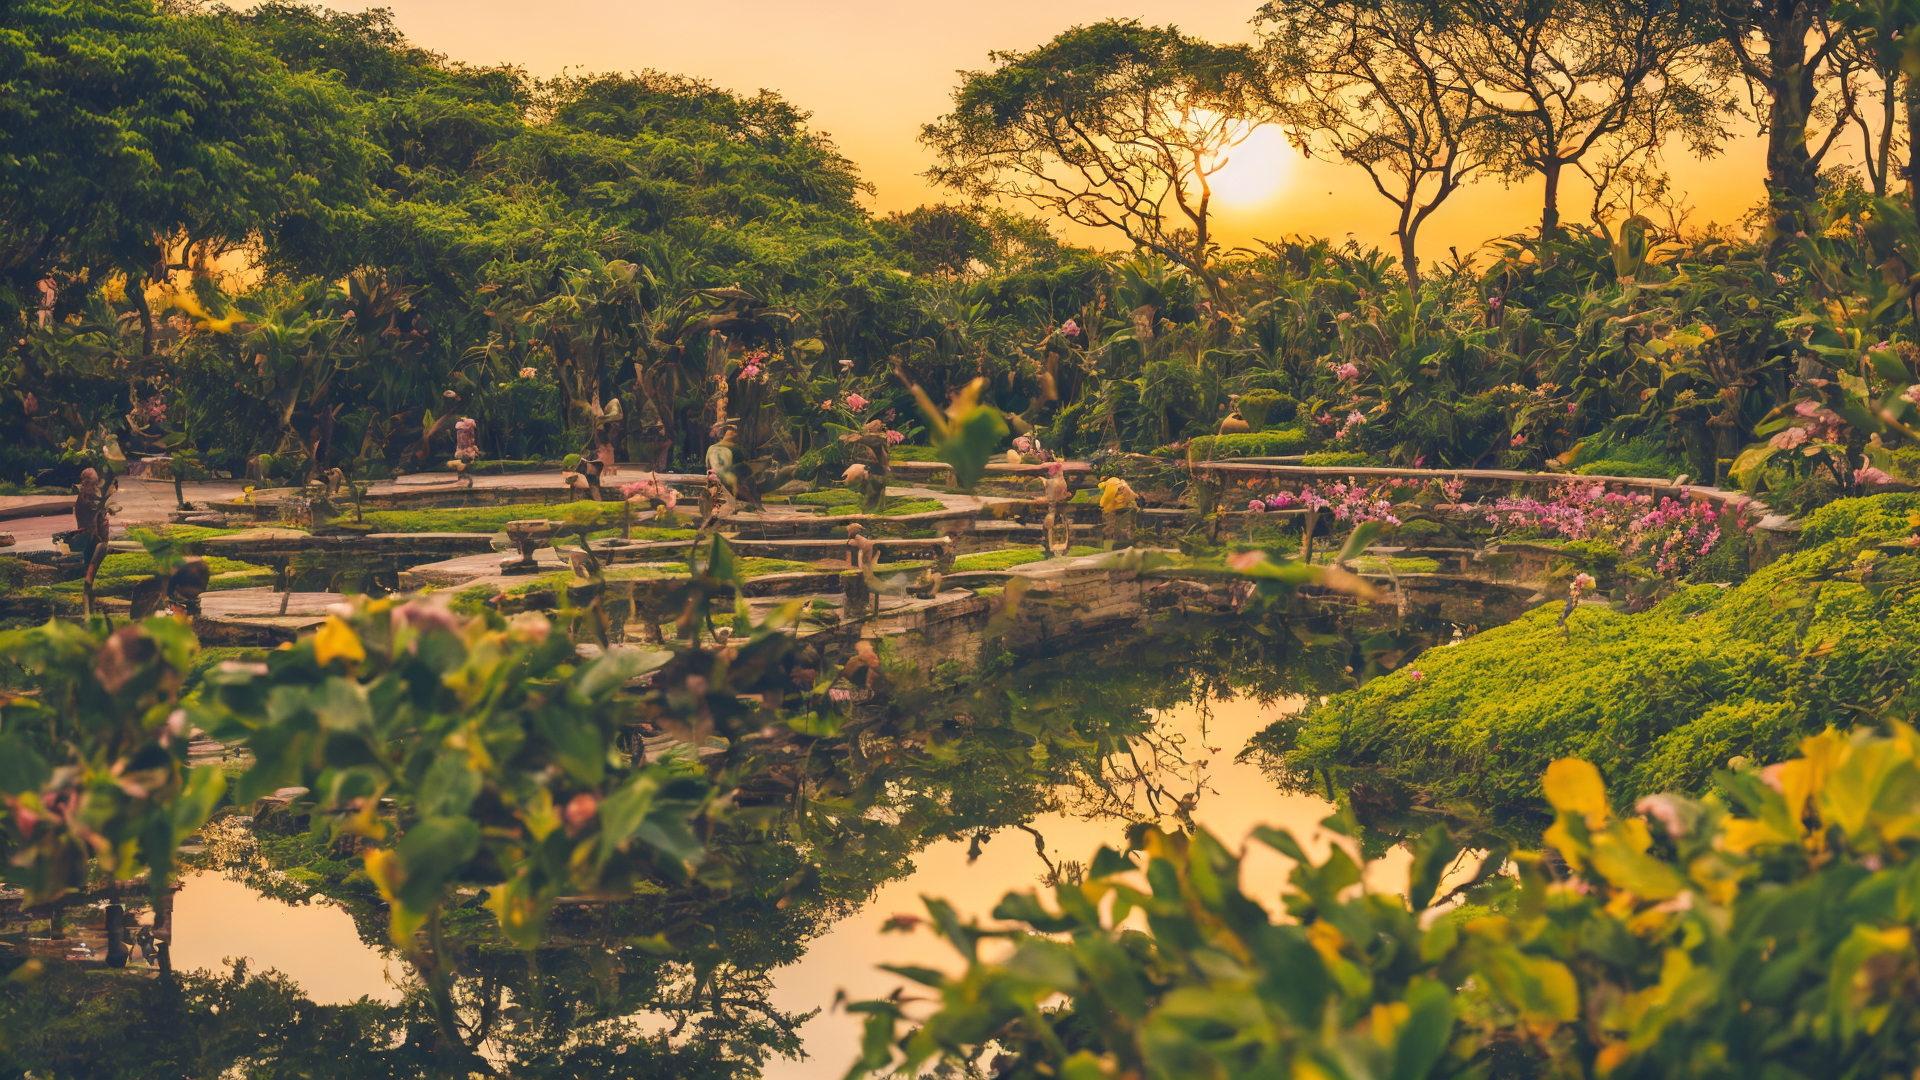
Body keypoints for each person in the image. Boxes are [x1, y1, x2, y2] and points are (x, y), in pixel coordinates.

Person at [73, 466, 114, 607]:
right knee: (91, 552)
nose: (94, 487)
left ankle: (94, 579)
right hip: (89, 531)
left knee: (101, 548)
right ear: (85, 484)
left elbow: (101, 509)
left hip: (99, 529)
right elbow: (89, 517)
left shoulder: (96, 494)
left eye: (96, 484)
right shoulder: (83, 498)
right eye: (91, 484)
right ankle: (88, 580)